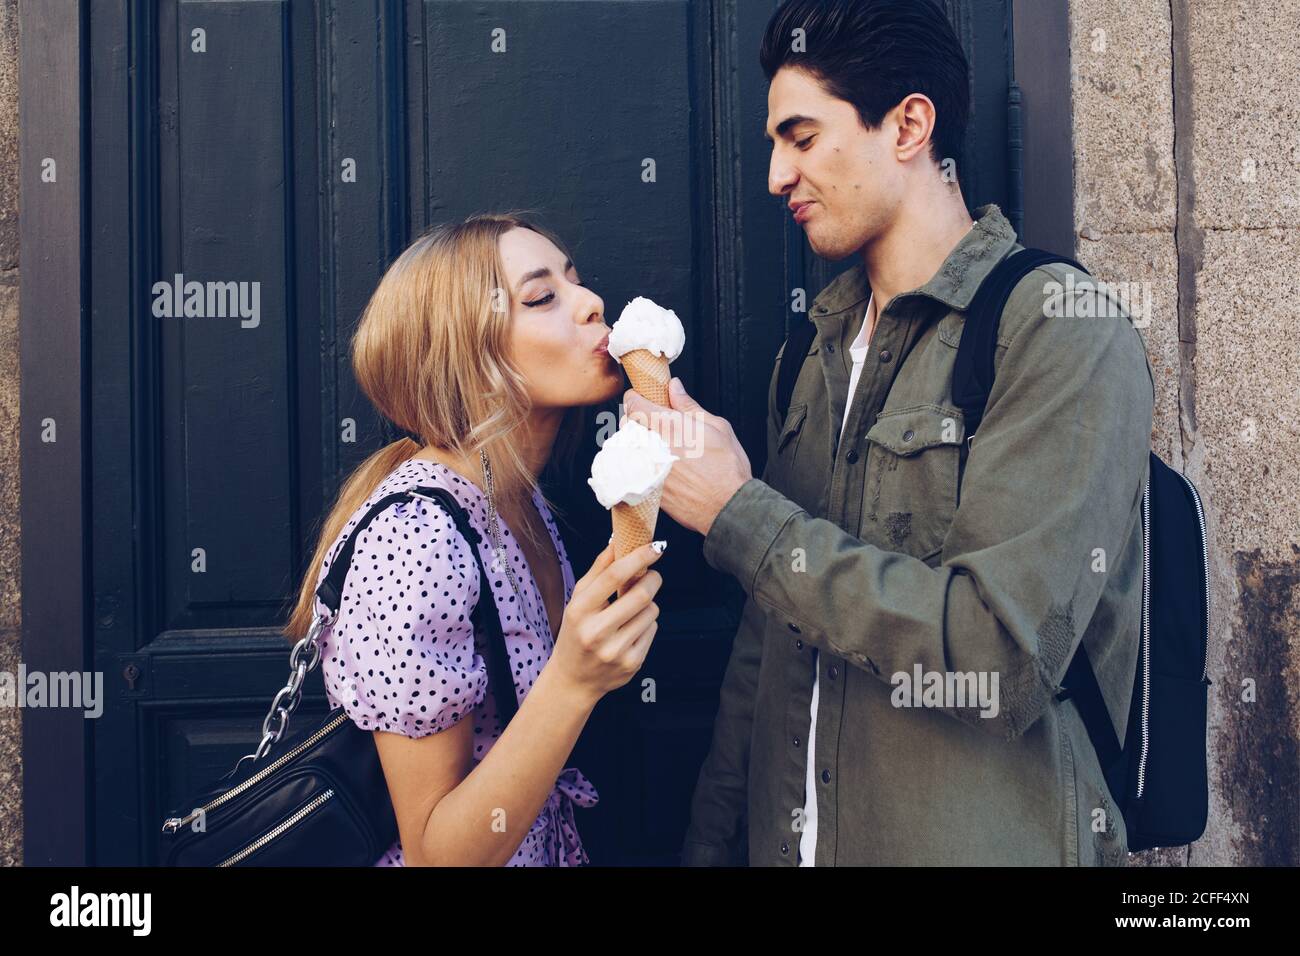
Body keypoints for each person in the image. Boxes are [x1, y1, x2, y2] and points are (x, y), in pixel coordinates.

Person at [623, 0, 1155, 865]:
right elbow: (768, 646)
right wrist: (711, 846)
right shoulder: (809, 356)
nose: (774, 176)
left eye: (800, 137)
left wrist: (737, 513)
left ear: (909, 123)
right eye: (773, 144)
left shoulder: (1060, 328)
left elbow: (1005, 654)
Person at [284, 213, 665, 866]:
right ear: (468, 357)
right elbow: (436, 854)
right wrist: (575, 680)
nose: (592, 303)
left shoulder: (520, 506)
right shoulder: (414, 541)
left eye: (575, 281)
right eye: (542, 296)